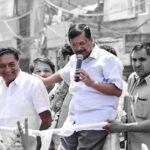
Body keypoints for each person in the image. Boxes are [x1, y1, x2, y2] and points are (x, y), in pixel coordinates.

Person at [38, 23, 123, 150]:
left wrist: (91, 83)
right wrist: (41, 81)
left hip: (94, 122)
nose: (78, 48)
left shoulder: (108, 60)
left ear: (91, 40)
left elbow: (117, 91)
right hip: (73, 121)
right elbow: (60, 74)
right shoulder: (73, 60)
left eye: (82, 43)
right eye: (74, 45)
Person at [0, 47, 52, 149]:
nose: (7, 69)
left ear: (18, 62)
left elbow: (47, 120)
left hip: (25, 147)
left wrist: (36, 144)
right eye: (2, 66)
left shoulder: (33, 84)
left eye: (11, 64)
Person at [103, 42, 150, 150]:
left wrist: (122, 127)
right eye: (134, 60)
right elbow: (129, 112)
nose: (137, 64)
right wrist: (121, 120)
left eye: (142, 59)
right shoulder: (132, 78)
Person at [49, 43, 74, 150]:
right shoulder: (61, 85)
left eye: (59, 59)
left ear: (68, 58)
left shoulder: (76, 87)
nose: (58, 63)